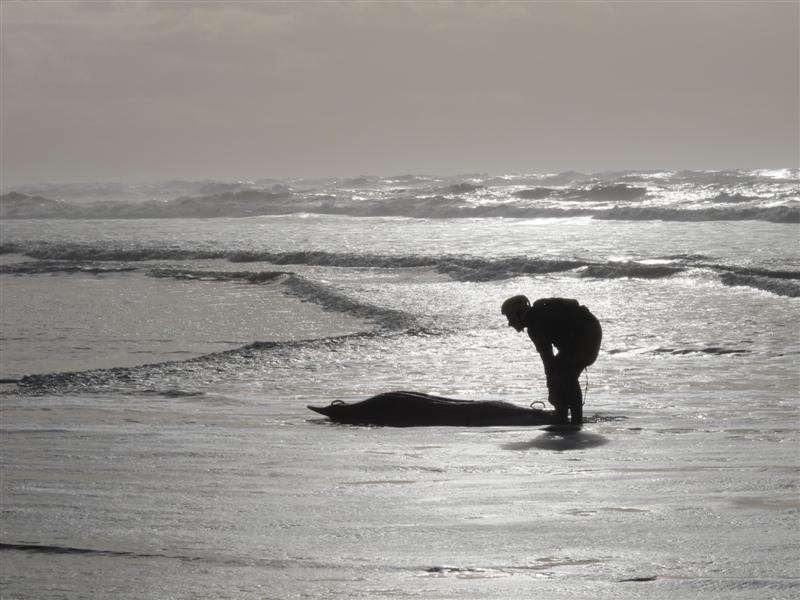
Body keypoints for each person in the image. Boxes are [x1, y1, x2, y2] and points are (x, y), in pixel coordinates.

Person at [501, 295, 602, 425]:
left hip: (589, 332)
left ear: (519, 313)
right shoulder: (534, 330)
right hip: (572, 343)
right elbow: (548, 360)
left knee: (566, 375)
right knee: (558, 376)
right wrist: (551, 386)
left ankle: (576, 419)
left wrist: (556, 380)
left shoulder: (544, 316)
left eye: (510, 317)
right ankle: (562, 414)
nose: (509, 323)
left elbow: (562, 356)